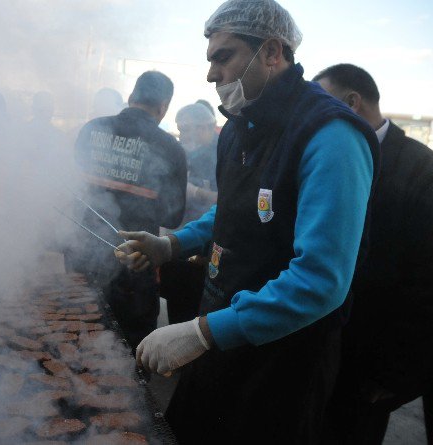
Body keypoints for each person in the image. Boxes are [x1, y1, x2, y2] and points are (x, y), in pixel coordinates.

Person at [114, 1, 379, 442]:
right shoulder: (239, 127)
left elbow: (321, 279)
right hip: (221, 333)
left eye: (224, 56)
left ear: (272, 51)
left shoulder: (331, 135)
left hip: (281, 359)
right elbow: (235, 210)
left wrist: (201, 332)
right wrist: (175, 245)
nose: (211, 74)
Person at [313, 63, 433, 445]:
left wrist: (394, 376)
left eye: (323, 104)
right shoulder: (327, 157)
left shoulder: (425, 170)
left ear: (352, 103)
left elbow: (432, 282)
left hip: (369, 364)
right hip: (319, 349)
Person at [72, 71, 187, 349]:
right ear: (163, 107)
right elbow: (173, 216)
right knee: (128, 349)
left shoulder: (91, 129)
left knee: (76, 334)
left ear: (131, 97)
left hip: (82, 255)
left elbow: (71, 188)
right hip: (135, 264)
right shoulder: (169, 146)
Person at [159, 103, 219, 325]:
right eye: (180, 129)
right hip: (180, 238)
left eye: (187, 129)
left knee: (200, 314)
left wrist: (197, 192)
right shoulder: (182, 151)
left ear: (206, 128)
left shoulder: (223, 152)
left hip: (207, 247)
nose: (182, 135)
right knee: (177, 306)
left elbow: (230, 202)